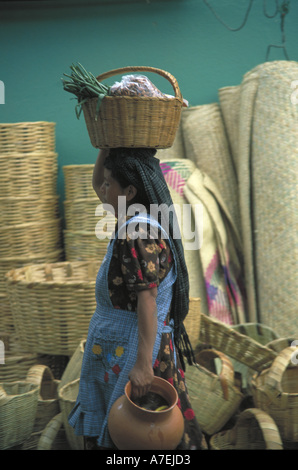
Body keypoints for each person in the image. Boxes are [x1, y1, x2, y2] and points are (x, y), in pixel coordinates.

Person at [68, 147, 206, 450]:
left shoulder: (138, 232)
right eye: (103, 183)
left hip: (140, 350)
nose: (101, 190)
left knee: (146, 433)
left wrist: (143, 366)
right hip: (122, 345)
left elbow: (149, 300)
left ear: (129, 191)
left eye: (108, 184)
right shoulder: (136, 218)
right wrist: (106, 144)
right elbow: (97, 184)